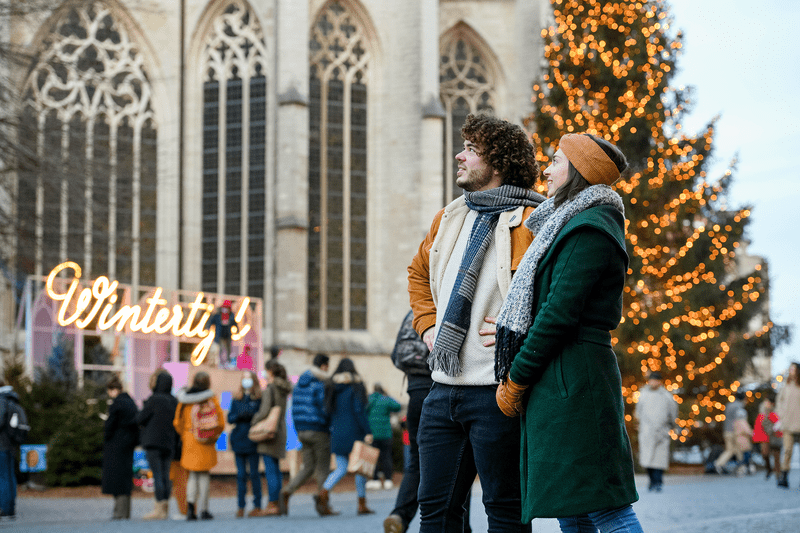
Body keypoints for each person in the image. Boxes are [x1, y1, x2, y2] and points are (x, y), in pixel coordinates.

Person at [494, 132, 642, 531]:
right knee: (572, 509)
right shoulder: (567, 223)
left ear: (579, 171)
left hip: (576, 381)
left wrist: (517, 378)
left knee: (606, 508)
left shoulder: (590, 228)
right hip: (561, 380)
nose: (546, 169)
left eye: (556, 161)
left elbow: (557, 315)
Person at [408, 112, 543, 532]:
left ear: (498, 163)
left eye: (471, 149)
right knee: (435, 513)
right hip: (441, 390)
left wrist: (518, 325)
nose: (459, 155)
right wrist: (428, 326)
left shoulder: (534, 221)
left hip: (497, 392)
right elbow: (417, 273)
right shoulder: (448, 217)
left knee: (505, 512)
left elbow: (556, 293)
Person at [383, 311, 472, 533]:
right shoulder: (446, 305)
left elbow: (396, 355)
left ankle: (399, 514)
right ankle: (462, 526)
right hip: (441, 388)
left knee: (416, 460)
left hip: (414, 394)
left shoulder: (414, 314)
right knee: (461, 460)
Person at [279, 353, 332, 516]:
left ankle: (287, 491)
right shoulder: (319, 383)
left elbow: (294, 408)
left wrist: (298, 428)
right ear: (323, 366)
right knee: (322, 468)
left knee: (308, 467)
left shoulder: (299, 384)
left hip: (302, 430)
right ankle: (323, 503)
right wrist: (329, 423)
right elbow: (324, 407)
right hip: (318, 429)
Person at [322, 358, 374, 516]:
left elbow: (327, 411)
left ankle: (323, 493)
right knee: (360, 469)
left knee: (341, 468)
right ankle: (361, 503)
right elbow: (359, 410)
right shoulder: (356, 386)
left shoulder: (332, 387)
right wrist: (368, 431)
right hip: (354, 433)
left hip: (337, 432)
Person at [173, 371, 224, 520]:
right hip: (206, 440)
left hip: (189, 440)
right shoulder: (211, 399)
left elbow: (177, 422)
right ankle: (204, 509)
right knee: (204, 475)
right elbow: (220, 422)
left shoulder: (184, 400)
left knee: (192, 475)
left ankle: (190, 509)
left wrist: (185, 434)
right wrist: (213, 435)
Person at [251, 359, 292, 516]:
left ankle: (272, 504)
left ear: (270, 372)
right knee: (276, 469)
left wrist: (254, 421)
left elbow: (264, 411)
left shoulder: (270, 389)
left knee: (270, 470)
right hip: (280, 430)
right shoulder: (283, 389)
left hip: (268, 431)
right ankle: (278, 503)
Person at [136, 369, 178, 520]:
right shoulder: (174, 401)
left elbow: (140, 418)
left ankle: (158, 509)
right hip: (169, 443)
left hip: (153, 442)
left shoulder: (154, 399)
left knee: (158, 475)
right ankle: (165, 508)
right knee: (166, 475)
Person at [101, 375, 139, 520]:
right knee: (125, 478)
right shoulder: (131, 402)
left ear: (113, 390)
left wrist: (106, 436)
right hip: (128, 444)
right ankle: (125, 512)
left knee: (116, 479)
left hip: (116, 445)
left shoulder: (116, 404)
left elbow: (109, 426)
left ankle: (118, 512)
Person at [634, 371, 678, 492]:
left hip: (661, 431)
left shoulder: (666, 396)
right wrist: (639, 423)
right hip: (646, 431)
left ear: (659, 382)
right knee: (647, 459)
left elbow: (673, 412)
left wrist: (671, 424)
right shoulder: (643, 394)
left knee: (659, 459)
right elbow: (638, 411)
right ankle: (652, 481)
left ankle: (658, 481)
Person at [227, 370, 263, 517]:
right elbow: (230, 418)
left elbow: (261, 416)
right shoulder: (237, 398)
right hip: (238, 440)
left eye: (248, 378)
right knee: (241, 475)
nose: (246, 381)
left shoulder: (259, 398)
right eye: (244, 378)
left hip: (253, 440)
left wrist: (251, 415)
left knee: (254, 474)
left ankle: (257, 505)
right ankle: (241, 506)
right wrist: (239, 416)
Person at [366, 383, 401, 490]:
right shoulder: (385, 399)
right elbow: (398, 406)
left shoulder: (369, 399)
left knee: (373, 457)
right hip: (385, 433)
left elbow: (362, 410)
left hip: (372, 433)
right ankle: (388, 480)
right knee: (386, 457)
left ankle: (375, 480)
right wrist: (388, 395)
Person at [0, 379, 25, 520]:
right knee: (9, 476)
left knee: (3, 476)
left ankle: (4, 508)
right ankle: (10, 508)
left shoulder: (1, 400)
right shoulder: (12, 400)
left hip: (1, 444)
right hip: (11, 444)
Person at [776, 362, 800, 488]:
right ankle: (784, 476)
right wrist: (781, 415)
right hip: (788, 424)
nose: (791, 371)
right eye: (790, 369)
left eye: (793, 369)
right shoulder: (785, 385)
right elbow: (779, 402)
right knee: (787, 451)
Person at [713, 391, 748, 475]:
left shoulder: (729, 405)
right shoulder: (739, 406)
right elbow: (741, 420)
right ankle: (742, 468)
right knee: (739, 450)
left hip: (727, 431)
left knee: (730, 450)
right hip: (736, 432)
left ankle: (718, 464)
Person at [753, 393, 782, 479]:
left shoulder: (777, 410)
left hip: (775, 433)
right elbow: (762, 421)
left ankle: (778, 472)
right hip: (766, 433)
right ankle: (769, 469)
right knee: (765, 453)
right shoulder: (764, 410)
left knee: (776, 454)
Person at [206, 300, 238, 368]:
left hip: (227, 335)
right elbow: (211, 321)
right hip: (220, 335)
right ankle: (220, 362)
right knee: (220, 349)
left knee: (228, 349)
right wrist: (207, 327)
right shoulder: (217, 315)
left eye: (227, 308)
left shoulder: (231, 315)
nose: (225, 310)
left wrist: (237, 330)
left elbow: (235, 323)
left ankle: (228, 362)